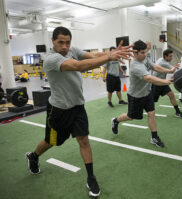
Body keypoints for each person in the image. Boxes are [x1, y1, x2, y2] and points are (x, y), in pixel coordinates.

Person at [25, 26, 133, 197]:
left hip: (78, 107)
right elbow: (78, 66)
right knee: (52, 141)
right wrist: (109, 56)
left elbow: (92, 56)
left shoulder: (72, 50)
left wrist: (110, 53)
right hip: (58, 110)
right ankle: (33, 155)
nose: (64, 46)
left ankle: (91, 178)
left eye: (67, 42)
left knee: (84, 140)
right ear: (53, 41)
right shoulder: (51, 59)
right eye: (60, 42)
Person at [111, 40, 177, 148]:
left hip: (147, 93)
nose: (144, 54)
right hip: (136, 96)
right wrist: (167, 81)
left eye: (145, 52)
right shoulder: (135, 66)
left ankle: (154, 137)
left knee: (151, 113)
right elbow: (149, 78)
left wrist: (169, 71)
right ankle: (116, 120)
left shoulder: (145, 58)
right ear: (135, 53)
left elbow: (155, 67)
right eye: (142, 53)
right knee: (130, 117)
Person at [152, 49, 182, 118]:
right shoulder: (163, 63)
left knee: (171, 94)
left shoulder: (162, 60)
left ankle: (178, 112)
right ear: (165, 56)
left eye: (172, 56)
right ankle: (141, 108)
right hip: (156, 83)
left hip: (162, 82)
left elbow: (172, 70)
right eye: (170, 56)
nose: (172, 58)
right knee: (151, 100)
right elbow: (172, 71)